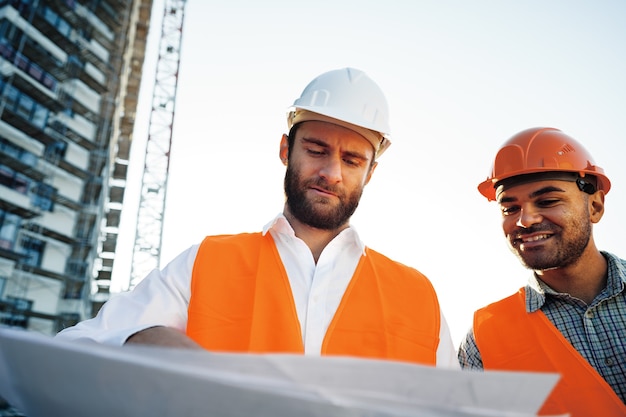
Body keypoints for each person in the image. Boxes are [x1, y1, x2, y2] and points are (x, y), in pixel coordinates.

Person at [57, 68, 459, 368]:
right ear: (286, 149)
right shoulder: (207, 262)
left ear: (370, 173)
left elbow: (457, 409)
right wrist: (137, 339)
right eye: (317, 150)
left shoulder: (418, 296)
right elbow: (70, 350)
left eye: (352, 160)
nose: (331, 173)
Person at [458, 127, 626, 416]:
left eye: (548, 201)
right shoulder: (484, 339)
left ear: (595, 206)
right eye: (509, 209)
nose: (525, 220)